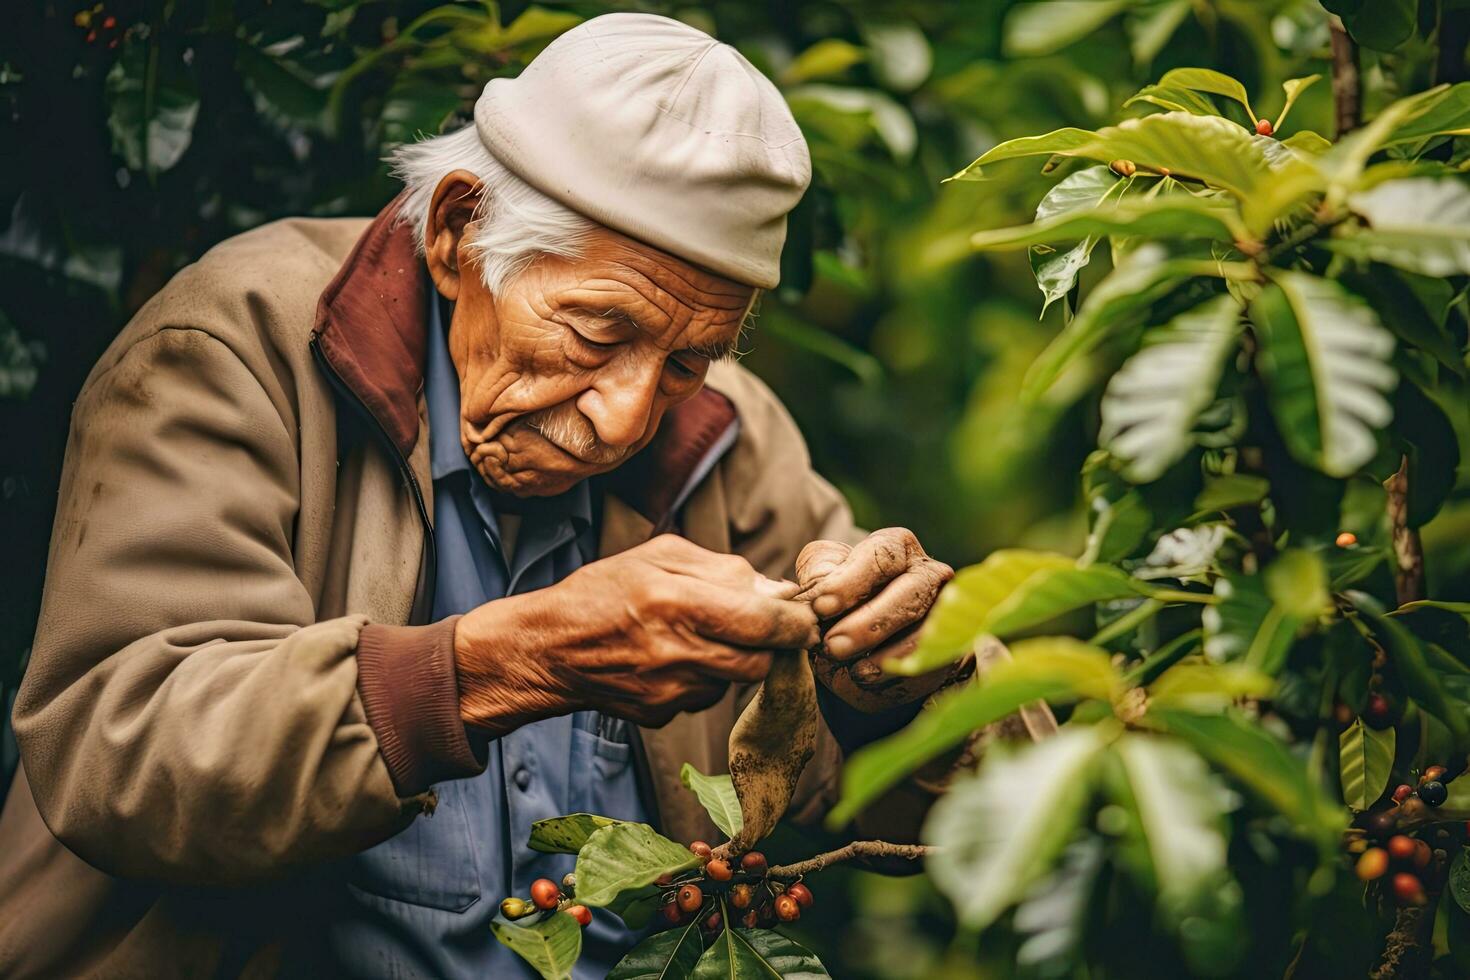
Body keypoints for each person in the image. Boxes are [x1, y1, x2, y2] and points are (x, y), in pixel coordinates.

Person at [0, 13, 964, 978]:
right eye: (595, 332)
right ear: (461, 232)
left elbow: (953, 792)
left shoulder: (724, 437)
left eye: (685, 360)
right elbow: (118, 750)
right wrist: (509, 664)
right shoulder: (234, 355)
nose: (630, 418)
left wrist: (896, 684)